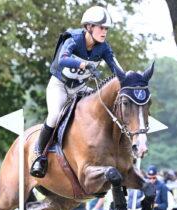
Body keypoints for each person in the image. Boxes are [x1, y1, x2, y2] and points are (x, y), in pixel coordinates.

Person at [30, 6, 125, 178]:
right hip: (59, 86)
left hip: (80, 88)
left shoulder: (104, 48)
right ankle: (40, 156)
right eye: (101, 27)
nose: (105, 32)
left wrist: (129, 78)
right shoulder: (73, 40)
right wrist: (84, 65)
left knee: (100, 109)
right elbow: (62, 60)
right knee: (54, 115)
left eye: (106, 29)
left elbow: (116, 69)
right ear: (89, 27)